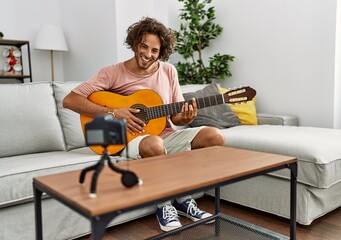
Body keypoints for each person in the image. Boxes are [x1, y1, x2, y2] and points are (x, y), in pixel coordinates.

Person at [63, 17, 224, 232]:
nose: (148, 54)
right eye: (144, 46)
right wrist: (113, 111)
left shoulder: (168, 71)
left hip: (163, 134)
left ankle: (185, 201)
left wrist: (184, 119)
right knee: (154, 144)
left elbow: (174, 117)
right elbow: (70, 100)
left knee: (214, 136)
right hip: (129, 139)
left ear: (162, 52)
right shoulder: (112, 73)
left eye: (155, 51)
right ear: (135, 43)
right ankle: (166, 204)